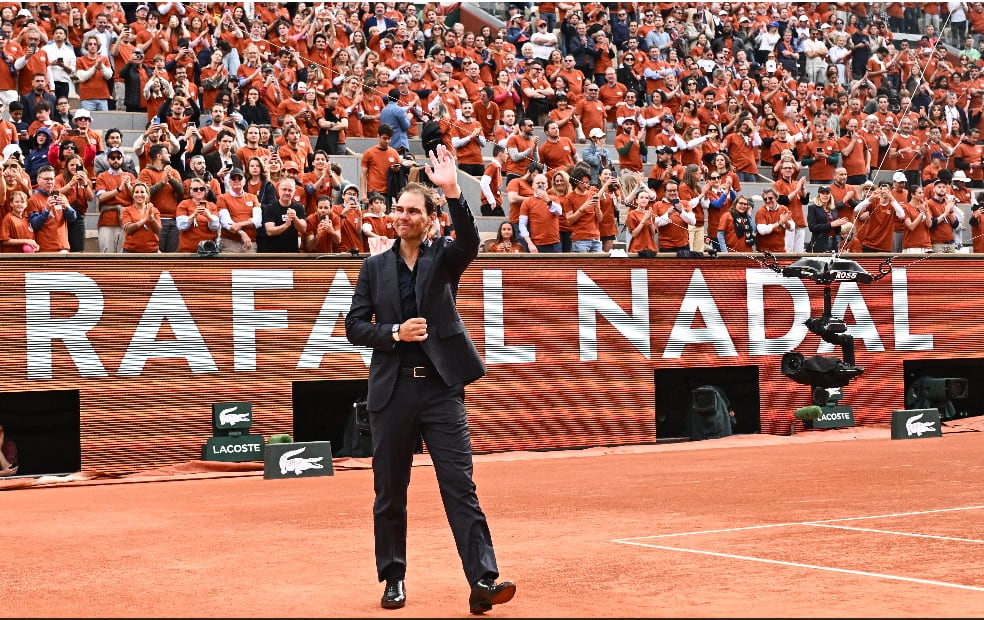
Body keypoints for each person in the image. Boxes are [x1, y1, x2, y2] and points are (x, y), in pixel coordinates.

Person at [345, 145, 515, 615]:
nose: (402, 216)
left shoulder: (445, 256)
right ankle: (393, 579)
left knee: (460, 485)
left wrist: (453, 190)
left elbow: (470, 243)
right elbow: (354, 325)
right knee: (389, 491)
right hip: (392, 389)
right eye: (398, 210)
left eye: (412, 211)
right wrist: (393, 332)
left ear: (428, 218)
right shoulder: (374, 266)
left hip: (442, 389)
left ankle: (484, 579)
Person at [261, 178, 307, 253]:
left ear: (294, 192)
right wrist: (286, 225)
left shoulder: (299, 207)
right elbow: (269, 231)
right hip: (273, 253)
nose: (287, 192)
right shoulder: (270, 208)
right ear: (278, 189)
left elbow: (303, 229)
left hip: (292, 252)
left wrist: (295, 218)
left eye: (290, 190)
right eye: (284, 189)